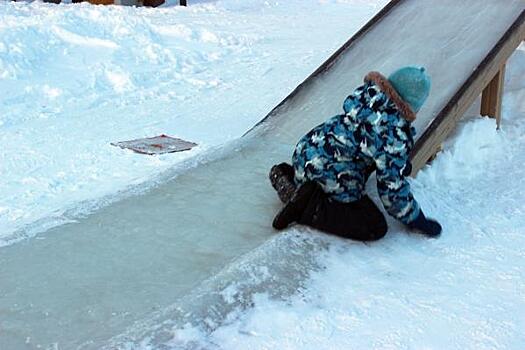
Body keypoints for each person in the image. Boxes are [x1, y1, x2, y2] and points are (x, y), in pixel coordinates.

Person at [269, 66, 442, 241]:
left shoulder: (365, 97)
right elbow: (392, 192)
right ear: (412, 108)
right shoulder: (393, 135)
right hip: (330, 175)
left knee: (358, 152)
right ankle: (308, 208)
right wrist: (417, 220)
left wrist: (399, 162)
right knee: (374, 226)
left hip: (306, 153)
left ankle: (289, 175)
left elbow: (368, 142)